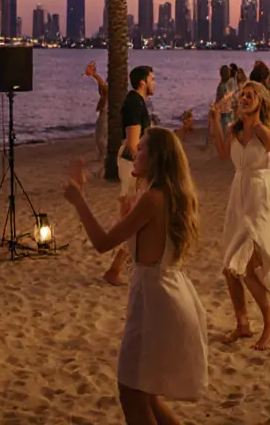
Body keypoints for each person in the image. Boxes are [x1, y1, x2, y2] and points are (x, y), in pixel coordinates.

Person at [64, 128, 208, 424]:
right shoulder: (167, 195)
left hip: (154, 301)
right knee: (146, 395)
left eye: (140, 149)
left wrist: (78, 200)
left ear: (155, 158)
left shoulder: (153, 198)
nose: (134, 153)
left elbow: (103, 243)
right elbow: (139, 241)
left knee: (131, 392)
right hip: (168, 291)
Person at [208, 82, 270, 350]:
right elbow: (221, 153)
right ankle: (242, 324)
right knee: (230, 267)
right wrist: (216, 120)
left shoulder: (263, 131)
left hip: (260, 197)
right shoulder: (234, 130)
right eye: (242, 95)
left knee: (250, 266)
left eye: (250, 96)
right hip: (237, 198)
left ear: (259, 102)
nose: (244, 98)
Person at [106, 65, 155, 286]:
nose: (155, 83)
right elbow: (133, 144)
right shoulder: (134, 103)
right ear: (143, 82)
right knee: (133, 218)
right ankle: (115, 269)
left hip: (133, 164)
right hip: (132, 166)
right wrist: (146, 168)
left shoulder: (137, 102)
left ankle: (123, 267)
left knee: (135, 218)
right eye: (152, 79)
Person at [85, 61, 109, 162]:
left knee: (101, 136)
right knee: (99, 136)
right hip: (104, 113)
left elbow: (103, 87)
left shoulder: (109, 90)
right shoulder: (107, 91)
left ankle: (104, 155)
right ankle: (102, 155)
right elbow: (102, 87)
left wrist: (94, 75)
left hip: (106, 113)